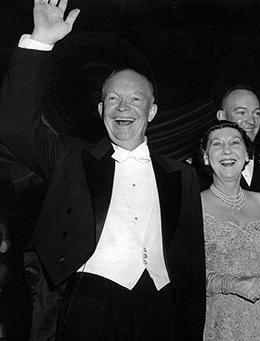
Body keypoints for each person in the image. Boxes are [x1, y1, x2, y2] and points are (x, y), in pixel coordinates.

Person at [0, 1, 206, 340]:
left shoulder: (182, 175)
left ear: (152, 111)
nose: (123, 107)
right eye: (112, 99)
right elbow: (16, 126)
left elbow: (192, 269)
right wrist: (41, 41)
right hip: (89, 307)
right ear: (100, 108)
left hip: (161, 310)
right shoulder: (70, 158)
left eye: (135, 100)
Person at [200, 120, 260, 340]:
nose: (227, 150)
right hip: (220, 321)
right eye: (216, 144)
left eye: (235, 143)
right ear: (205, 157)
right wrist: (232, 285)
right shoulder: (194, 205)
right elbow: (185, 275)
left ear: (247, 155)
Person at [198, 85, 260, 193]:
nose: (251, 121)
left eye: (257, 113)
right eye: (242, 112)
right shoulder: (197, 172)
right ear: (222, 116)